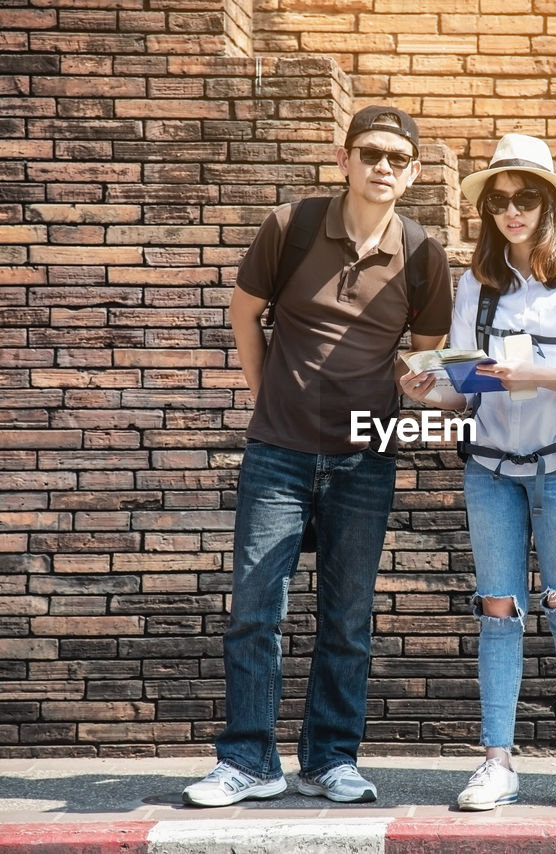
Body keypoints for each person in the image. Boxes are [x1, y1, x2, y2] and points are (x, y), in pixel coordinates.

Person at [182, 106, 452, 807]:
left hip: (370, 448)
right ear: (344, 158)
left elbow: (416, 360)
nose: (383, 167)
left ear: (414, 172)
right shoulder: (291, 226)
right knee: (254, 606)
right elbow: (245, 313)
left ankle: (330, 759)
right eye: (371, 153)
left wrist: (414, 387)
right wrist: (266, 395)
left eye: (398, 158)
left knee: (347, 615)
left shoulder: (422, 253)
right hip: (280, 448)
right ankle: (248, 761)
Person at [401, 133, 556, 811]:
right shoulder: (477, 284)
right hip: (492, 469)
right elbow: (467, 392)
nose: (511, 211)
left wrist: (532, 374)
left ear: (550, 203)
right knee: (497, 612)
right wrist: (429, 391)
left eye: (525, 197)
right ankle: (496, 761)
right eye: (498, 201)